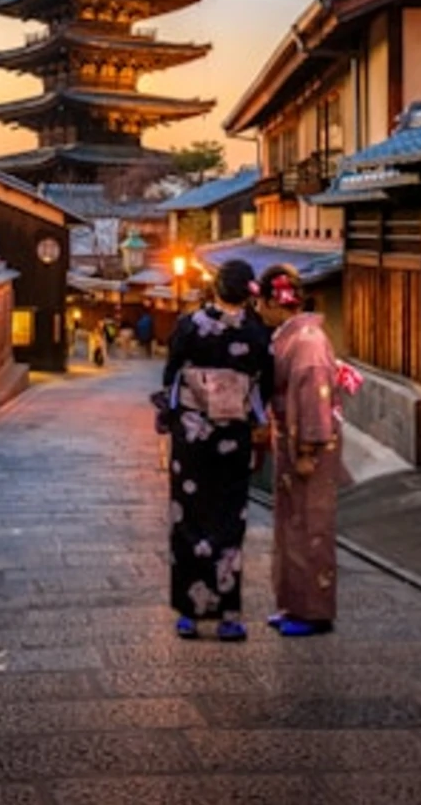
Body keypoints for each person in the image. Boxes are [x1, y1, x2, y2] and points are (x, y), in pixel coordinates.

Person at [160, 258, 272, 642]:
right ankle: (228, 616)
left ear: (215, 288)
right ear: (248, 293)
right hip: (233, 435)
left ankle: (189, 614)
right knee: (228, 518)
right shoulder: (256, 332)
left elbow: (172, 375)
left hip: (192, 435)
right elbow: (264, 383)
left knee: (188, 516)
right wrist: (251, 415)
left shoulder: (189, 325)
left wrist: (175, 413)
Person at [256, 264, 341, 637]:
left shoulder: (307, 342)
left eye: (261, 302)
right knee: (291, 522)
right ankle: (293, 603)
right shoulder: (294, 335)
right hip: (290, 437)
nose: (259, 310)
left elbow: (314, 397)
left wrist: (307, 449)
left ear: (275, 301)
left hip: (308, 444)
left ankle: (314, 611)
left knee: (311, 524)